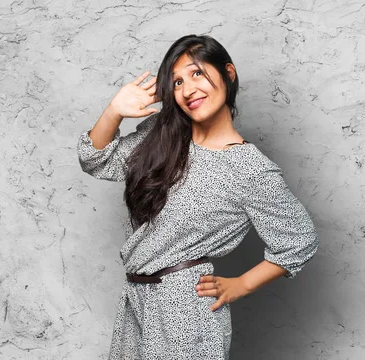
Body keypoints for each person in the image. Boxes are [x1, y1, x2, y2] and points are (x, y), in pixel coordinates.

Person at [76, 34, 319, 359]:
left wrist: (242, 284)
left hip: (184, 307)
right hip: (136, 297)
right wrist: (114, 111)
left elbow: (299, 241)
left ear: (228, 74)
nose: (188, 89)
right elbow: (96, 159)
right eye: (177, 81)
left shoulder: (249, 168)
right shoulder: (162, 134)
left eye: (197, 73)